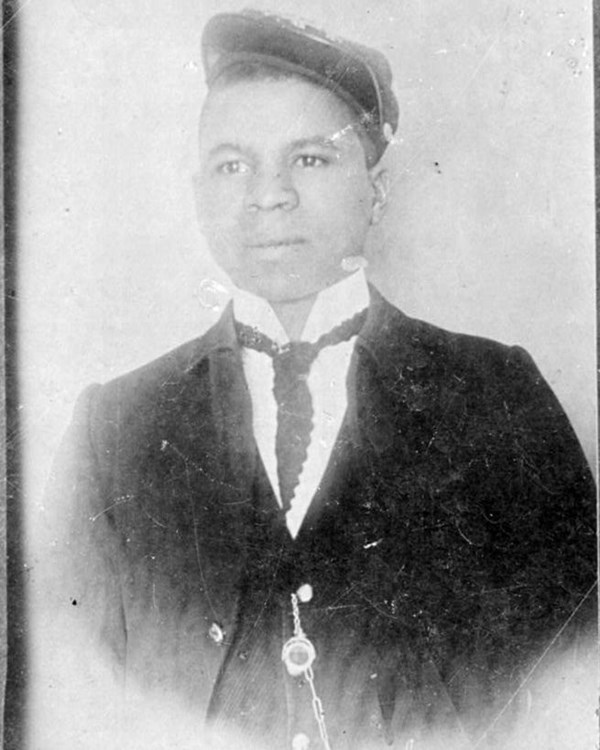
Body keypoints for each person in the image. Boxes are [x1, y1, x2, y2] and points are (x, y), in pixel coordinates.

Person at [45, 10, 596, 750]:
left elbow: (575, 691)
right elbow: (66, 705)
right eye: (233, 165)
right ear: (197, 192)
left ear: (378, 190)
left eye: (309, 159)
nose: (267, 195)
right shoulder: (114, 427)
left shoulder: (497, 395)